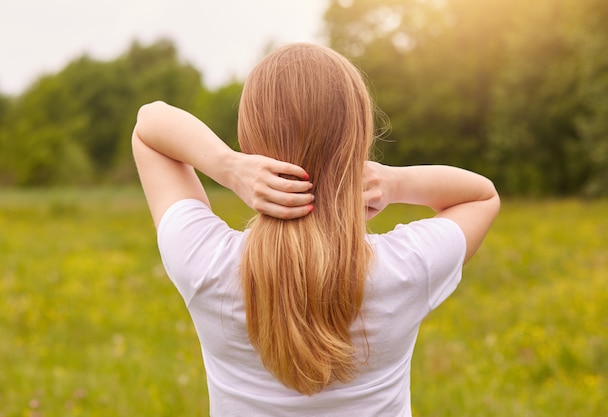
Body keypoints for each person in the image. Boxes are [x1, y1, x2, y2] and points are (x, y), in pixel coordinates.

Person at [132, 43, 499, 417]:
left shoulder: (206, 264)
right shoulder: (405, 268)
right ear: (359, 142)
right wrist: (394, 182)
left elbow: (150, 124)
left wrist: (229, 167)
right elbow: (481, 197)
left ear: (248, 142)